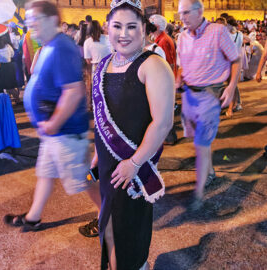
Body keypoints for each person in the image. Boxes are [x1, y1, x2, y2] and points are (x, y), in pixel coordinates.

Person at [4, 0, 101, 237]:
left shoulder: (61, 46)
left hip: (66, 133)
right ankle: (33, 217)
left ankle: (108, 214)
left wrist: (54, 123)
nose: (30, 24)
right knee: (45, 174)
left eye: (34, 19)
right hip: (54, 133)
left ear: (51, 20)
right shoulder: (48, 45)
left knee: (86, 179)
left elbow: (73, 91)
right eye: (28, 20)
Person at [92, 0, 174, 268]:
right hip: (109, 166)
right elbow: (105, 114)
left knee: (129, 228)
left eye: (131, 26)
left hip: (134, 167)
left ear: (144, 30)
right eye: (117, 26)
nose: (123, 33)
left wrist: (135, 163)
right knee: (110, 225)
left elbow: (163, 123)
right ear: (107, 28)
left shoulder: (153, 65)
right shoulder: (104, 64)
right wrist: (97, 152)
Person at [176, 0, 241, 209]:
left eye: (186, 12)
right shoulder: (182, 36)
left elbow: (236, 59)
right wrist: (178, 79)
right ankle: (210, 174)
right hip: (188, 95)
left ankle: (199, 192)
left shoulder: (218, 31)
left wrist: (231, 88)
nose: (182, 17)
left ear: (199, 11)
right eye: (180, 13)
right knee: (198, 140)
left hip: (209, 96)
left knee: (201, 145)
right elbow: (180, 66)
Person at [149, 14, 178, 145]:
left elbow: (169, 63)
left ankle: (170, 138)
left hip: (165, 80)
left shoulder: (163, 41)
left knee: (163, 110)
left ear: (157, 27)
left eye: (151, 24)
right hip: (165, 80)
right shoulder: (161, 39)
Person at [83, 20, 111, 111]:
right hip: (109, 66)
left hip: (96, 67)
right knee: (109, 90)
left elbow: (88, 60)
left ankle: (99, 112)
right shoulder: (108, 38)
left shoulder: (87, 42)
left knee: (97, 91)